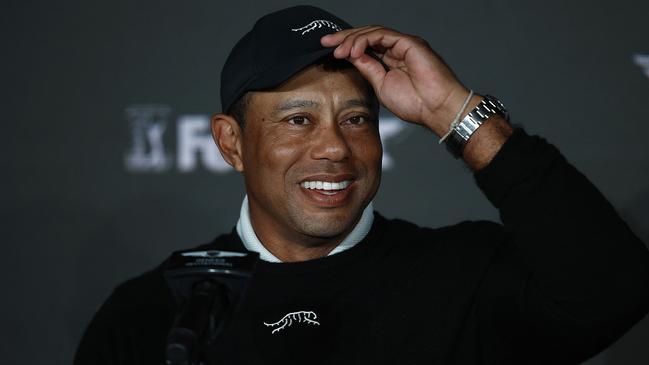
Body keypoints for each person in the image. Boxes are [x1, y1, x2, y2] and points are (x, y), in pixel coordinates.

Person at [75, 5, 649, 365]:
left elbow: (615, 289)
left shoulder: (464, 275)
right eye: (299, 120)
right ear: (230, 143)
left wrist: (455, 111)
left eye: (356, 119)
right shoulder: (158, 314)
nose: (335, 148)